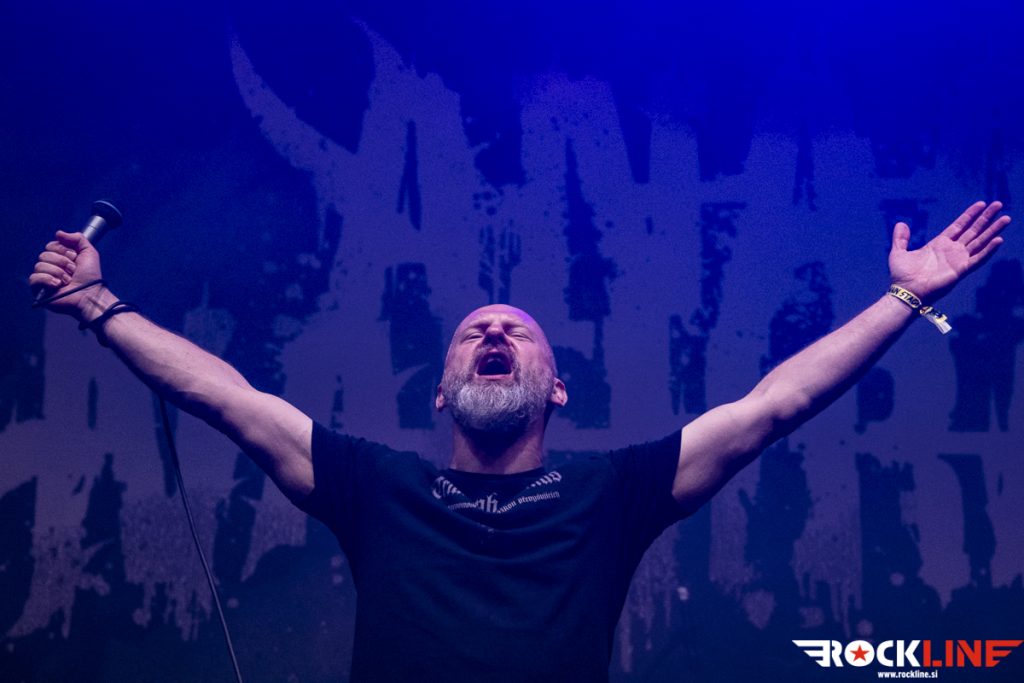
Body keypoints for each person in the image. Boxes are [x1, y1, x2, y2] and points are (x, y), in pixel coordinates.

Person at [29, 201, 1010, 681]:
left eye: (516, 331)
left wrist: (904, 298)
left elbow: (774, 403)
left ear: (557, 386)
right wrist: (100, 304)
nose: (494, 332)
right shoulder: (373, 484)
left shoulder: (613, 489)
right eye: (474, 331)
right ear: (443, 390)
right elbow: (225, 394)